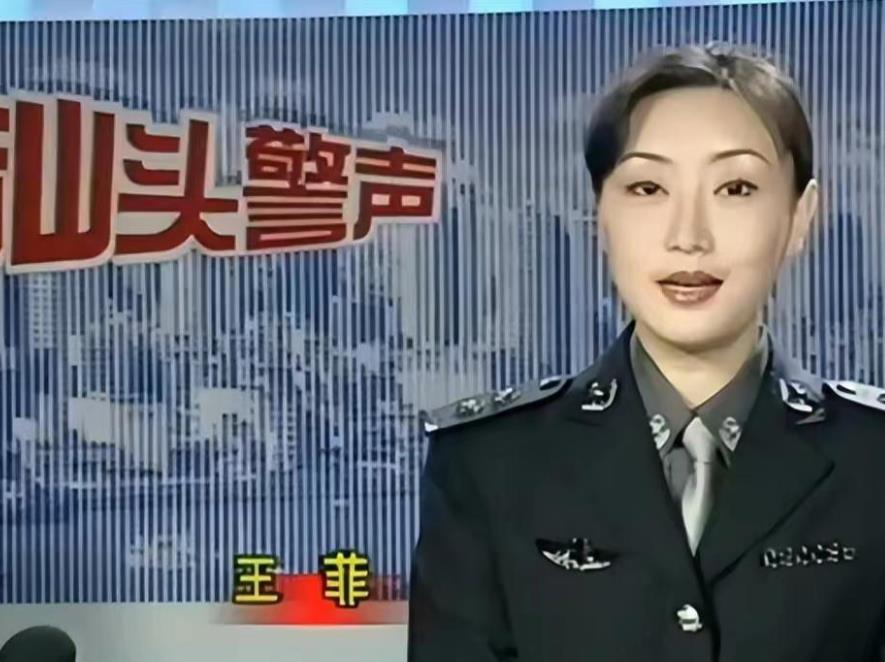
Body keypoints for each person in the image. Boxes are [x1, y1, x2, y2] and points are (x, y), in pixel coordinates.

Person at [407, 42, 885, 662]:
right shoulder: (489, 466)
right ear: (600, 214)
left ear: (800, 216)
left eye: (736, 187)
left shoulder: (872, 459)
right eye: (648, 187)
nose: (689, 237)